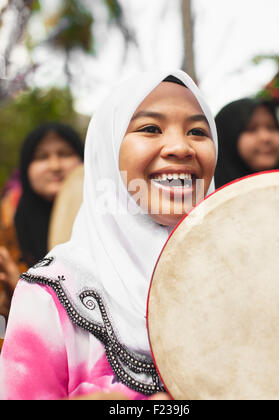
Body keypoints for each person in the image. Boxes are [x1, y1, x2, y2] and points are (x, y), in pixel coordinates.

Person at [0, 70, 218, 400]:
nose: (180, 146)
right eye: (150, 128)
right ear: (107, 150)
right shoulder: (49, 295)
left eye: (198, 131)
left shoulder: (246, 277)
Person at [0, 122, 84, 325]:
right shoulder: (6, 223)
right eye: (41, 157)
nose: (55, 166)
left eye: (64, 154)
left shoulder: (110, 218)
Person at [214, 98, 279, 189]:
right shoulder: (198, 196)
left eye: (271, 127)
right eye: (251, 129)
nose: (266, 137)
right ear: (227, 136)